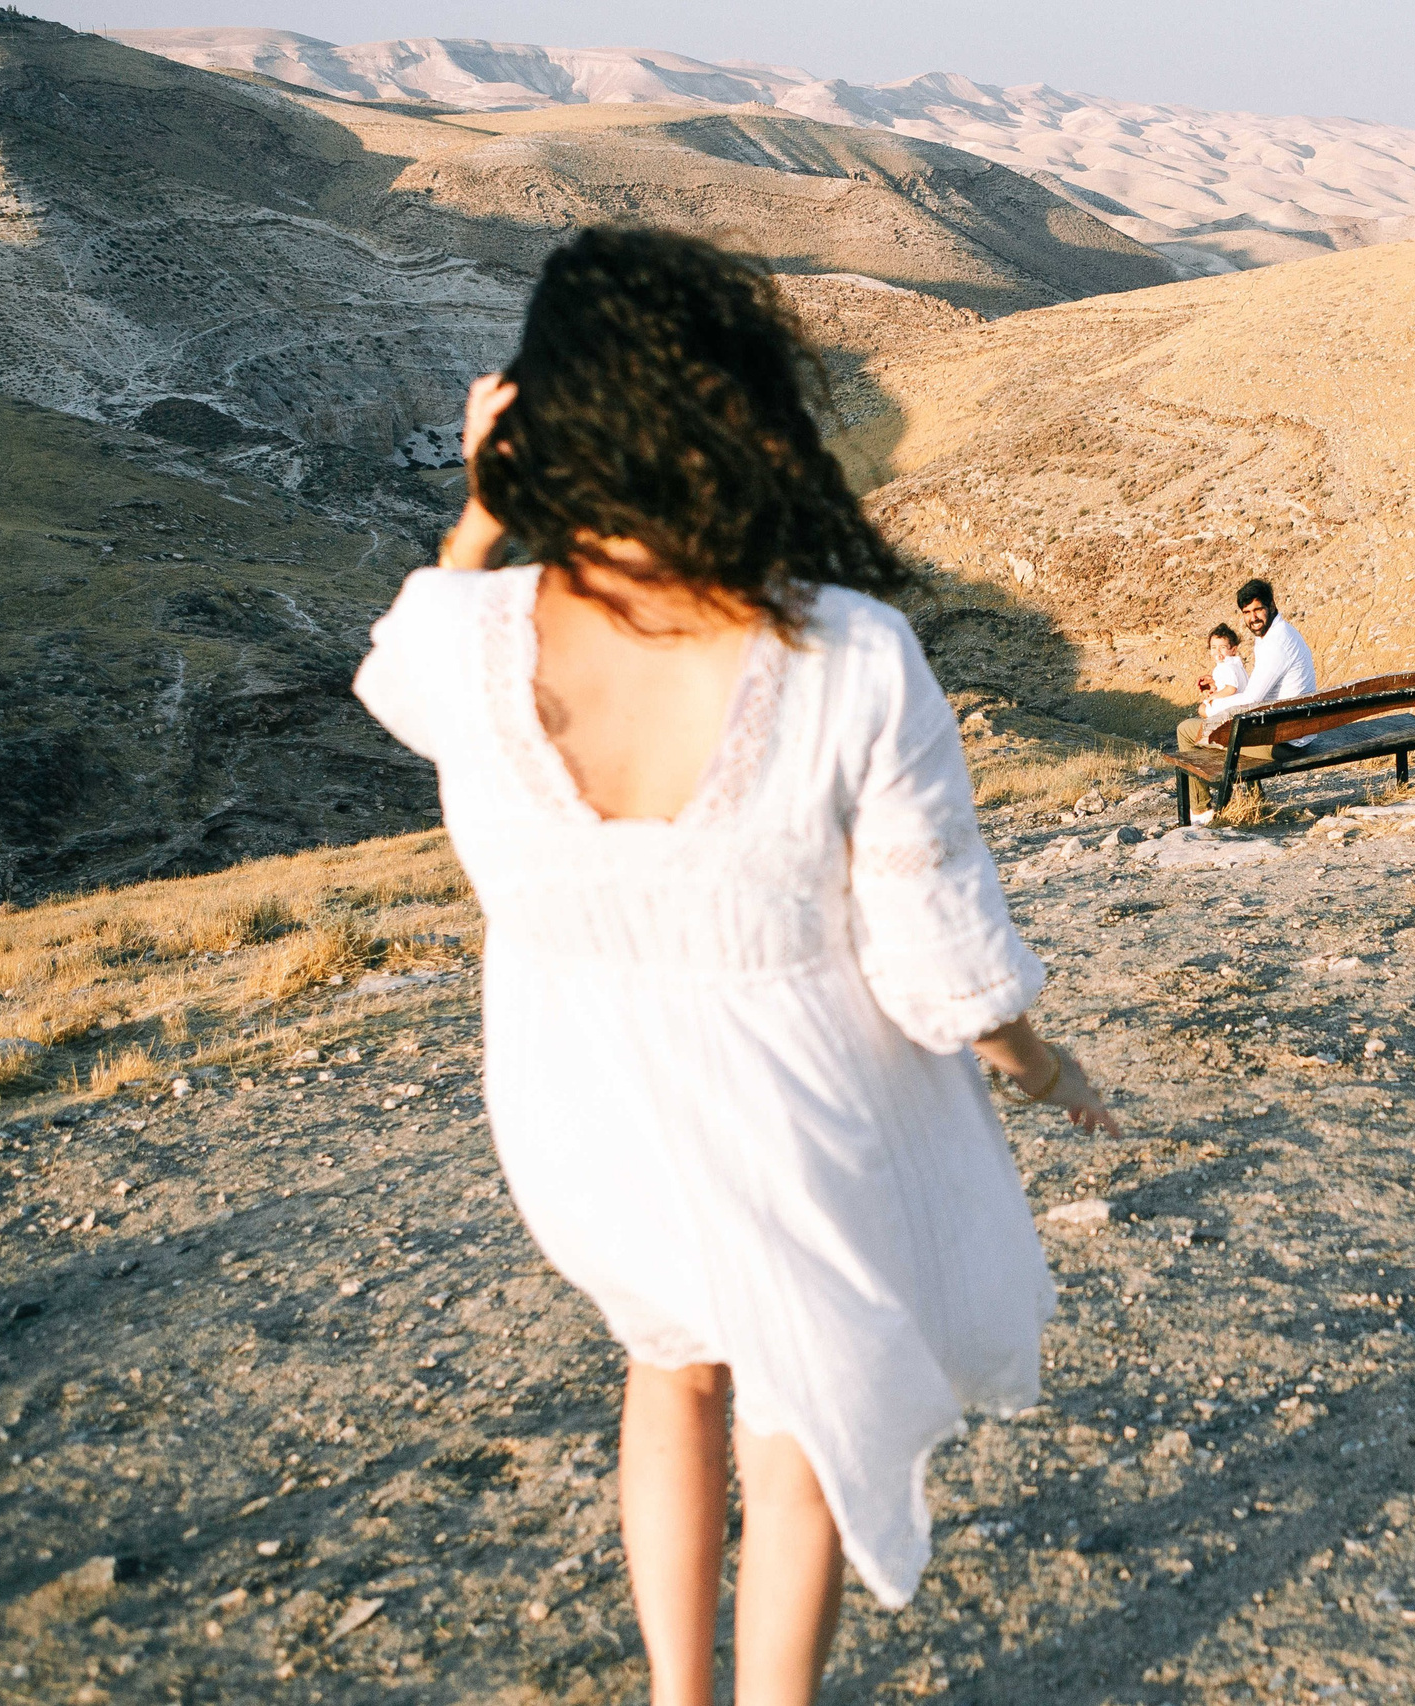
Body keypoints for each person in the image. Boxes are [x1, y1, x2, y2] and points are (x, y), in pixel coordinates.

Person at [352, 227, 1122, 1706]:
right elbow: (934, 960)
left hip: (583, 1131)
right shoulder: (850, 654)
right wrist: (1045, 1061)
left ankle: (674, 1692)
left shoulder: (468, 638)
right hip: (796, 1125)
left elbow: (396, 655)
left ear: (541, 417)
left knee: (671, 1364)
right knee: (801, 1420)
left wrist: (475, 508)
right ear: (742, 414)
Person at [1174, 578, 1318, 815]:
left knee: (1187, 730)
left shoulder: (1275, 644)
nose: (1253, 617)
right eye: (1247, 612)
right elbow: (1257, 692)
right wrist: (1219, 691)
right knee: (1242, 724)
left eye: (1258, 609)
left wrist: (1209, 707)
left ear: (1271, 605)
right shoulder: (1280, 633)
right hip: (1296, 730)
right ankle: (1253, 799)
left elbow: (1252, 698)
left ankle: (1200, 811)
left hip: (1285, 742)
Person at [1194, 621, 1247, 700]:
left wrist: (1214, 697)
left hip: (1234, 702)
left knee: (1203, 708)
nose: (1217, 651)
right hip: (1237, 700)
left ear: (1233, 650)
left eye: (1222, 647)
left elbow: (1231, 689)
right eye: (1214, 647)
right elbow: (1224, 685)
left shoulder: (1227, 666)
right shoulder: (1234, 664)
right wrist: (1214, 690)